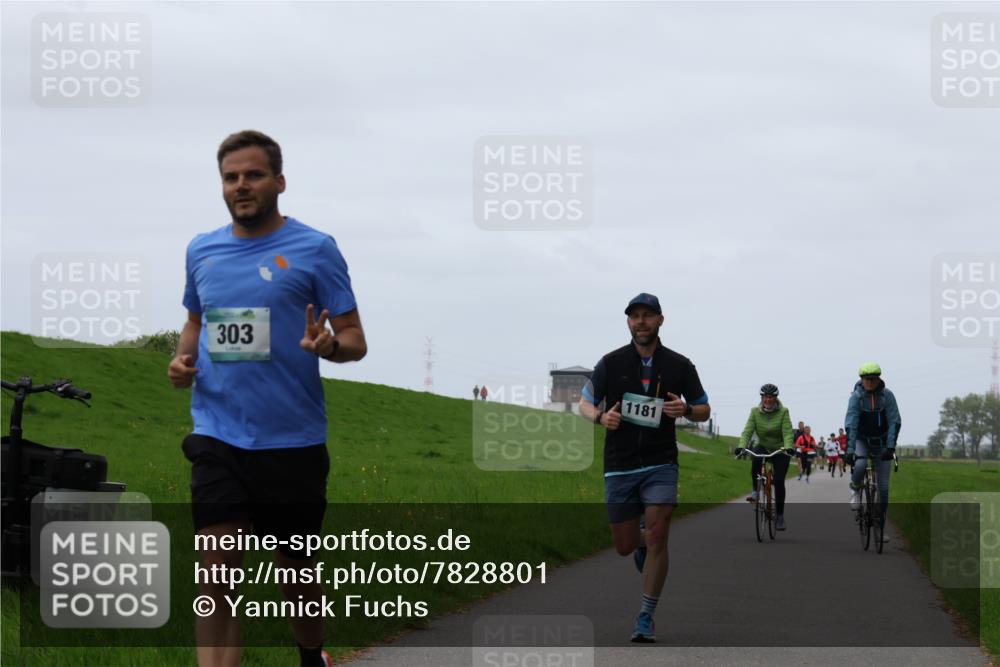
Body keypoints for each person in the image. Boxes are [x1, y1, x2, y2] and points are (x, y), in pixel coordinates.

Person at [168, 130, 367, 667]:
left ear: (279, 181)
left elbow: (355, 339)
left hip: (291, 439)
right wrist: (182, 360)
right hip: (216, 431)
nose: (241, 186)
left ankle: (310, 655)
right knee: (217, 566)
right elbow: (194, 322)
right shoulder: (201, 250)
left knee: (296, 577)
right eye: (231, 177)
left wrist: (329, 345)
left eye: (253, 175)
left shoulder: (315, 249)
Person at [578, 292, 711, 643]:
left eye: (647, 315)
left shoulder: (680, 366)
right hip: (620, 463)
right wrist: (599, 417)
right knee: (624, 545)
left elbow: (704, 409)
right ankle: (640, 545)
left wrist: (685, 410)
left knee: (659, 533)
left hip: (660, 462)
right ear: (628, 322)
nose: (641, 321)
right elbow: (585, 402)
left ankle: (645, 615)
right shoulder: (611, 363)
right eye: (634, 316)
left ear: (660, 320)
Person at [844, 363, 901, 519]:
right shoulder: (856, 397)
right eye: (866, 379)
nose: (869, 382)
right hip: (861, 440)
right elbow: (851, 424)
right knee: (861, 463)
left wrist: (890, 447)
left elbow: (894, 421)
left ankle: (880, 526)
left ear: (878, 379)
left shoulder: (887, 396)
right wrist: (850, 451)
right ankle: (855, 489)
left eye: (873, 379)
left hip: (882, 442)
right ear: (861, 379)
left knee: (883, 488)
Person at [737, 383, 794, 530]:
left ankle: (780, 517)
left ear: (776, 398)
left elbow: (787, 431)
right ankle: (755, 491)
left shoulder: (783, 412)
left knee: (780, 481)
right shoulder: (755, 412)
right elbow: (747, 431)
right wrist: (741, 446)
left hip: (780, 449)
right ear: (761, 398)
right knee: (756, 457)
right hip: (763, 445)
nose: (768, 400)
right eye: (765, 397)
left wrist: (788, 447)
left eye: (771, 397)